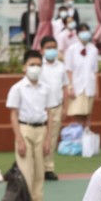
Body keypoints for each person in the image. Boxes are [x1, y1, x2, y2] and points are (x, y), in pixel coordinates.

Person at [6, 50, 55, 201]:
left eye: (38, 65)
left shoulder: (46, 88)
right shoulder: (17, 88)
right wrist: (19, 138)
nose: (35, 68)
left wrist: (49, 138)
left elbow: (49, 114)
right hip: (25, 129)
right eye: (31, 65)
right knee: (26, 173)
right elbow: (13, 114)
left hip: (41, 130)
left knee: (39, 173)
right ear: (24, 67)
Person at [40, 36, 69, 181]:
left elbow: (65, 88)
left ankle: (48, 168)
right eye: (48, 48)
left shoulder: (61, 67)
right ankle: (38, 167)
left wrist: (65, 107)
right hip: (41, 108)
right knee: (40, 137)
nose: (51, 50)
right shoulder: (38, 66)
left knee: (52, 138)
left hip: (56, 107)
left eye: (54, 48)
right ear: (42, 50)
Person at [65, 24, 99, 130]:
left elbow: (95, 70)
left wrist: (97, 88)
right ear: (77, 34)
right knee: (78, 113)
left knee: (88, 114)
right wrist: (70, 87)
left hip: (89, 85)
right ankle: (78, 136)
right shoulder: (72, 49)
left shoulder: (93, 49)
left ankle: (87, 135)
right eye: (82, 31)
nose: (84, 33)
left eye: (86, 31)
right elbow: (69, 70)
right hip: (77, 85)